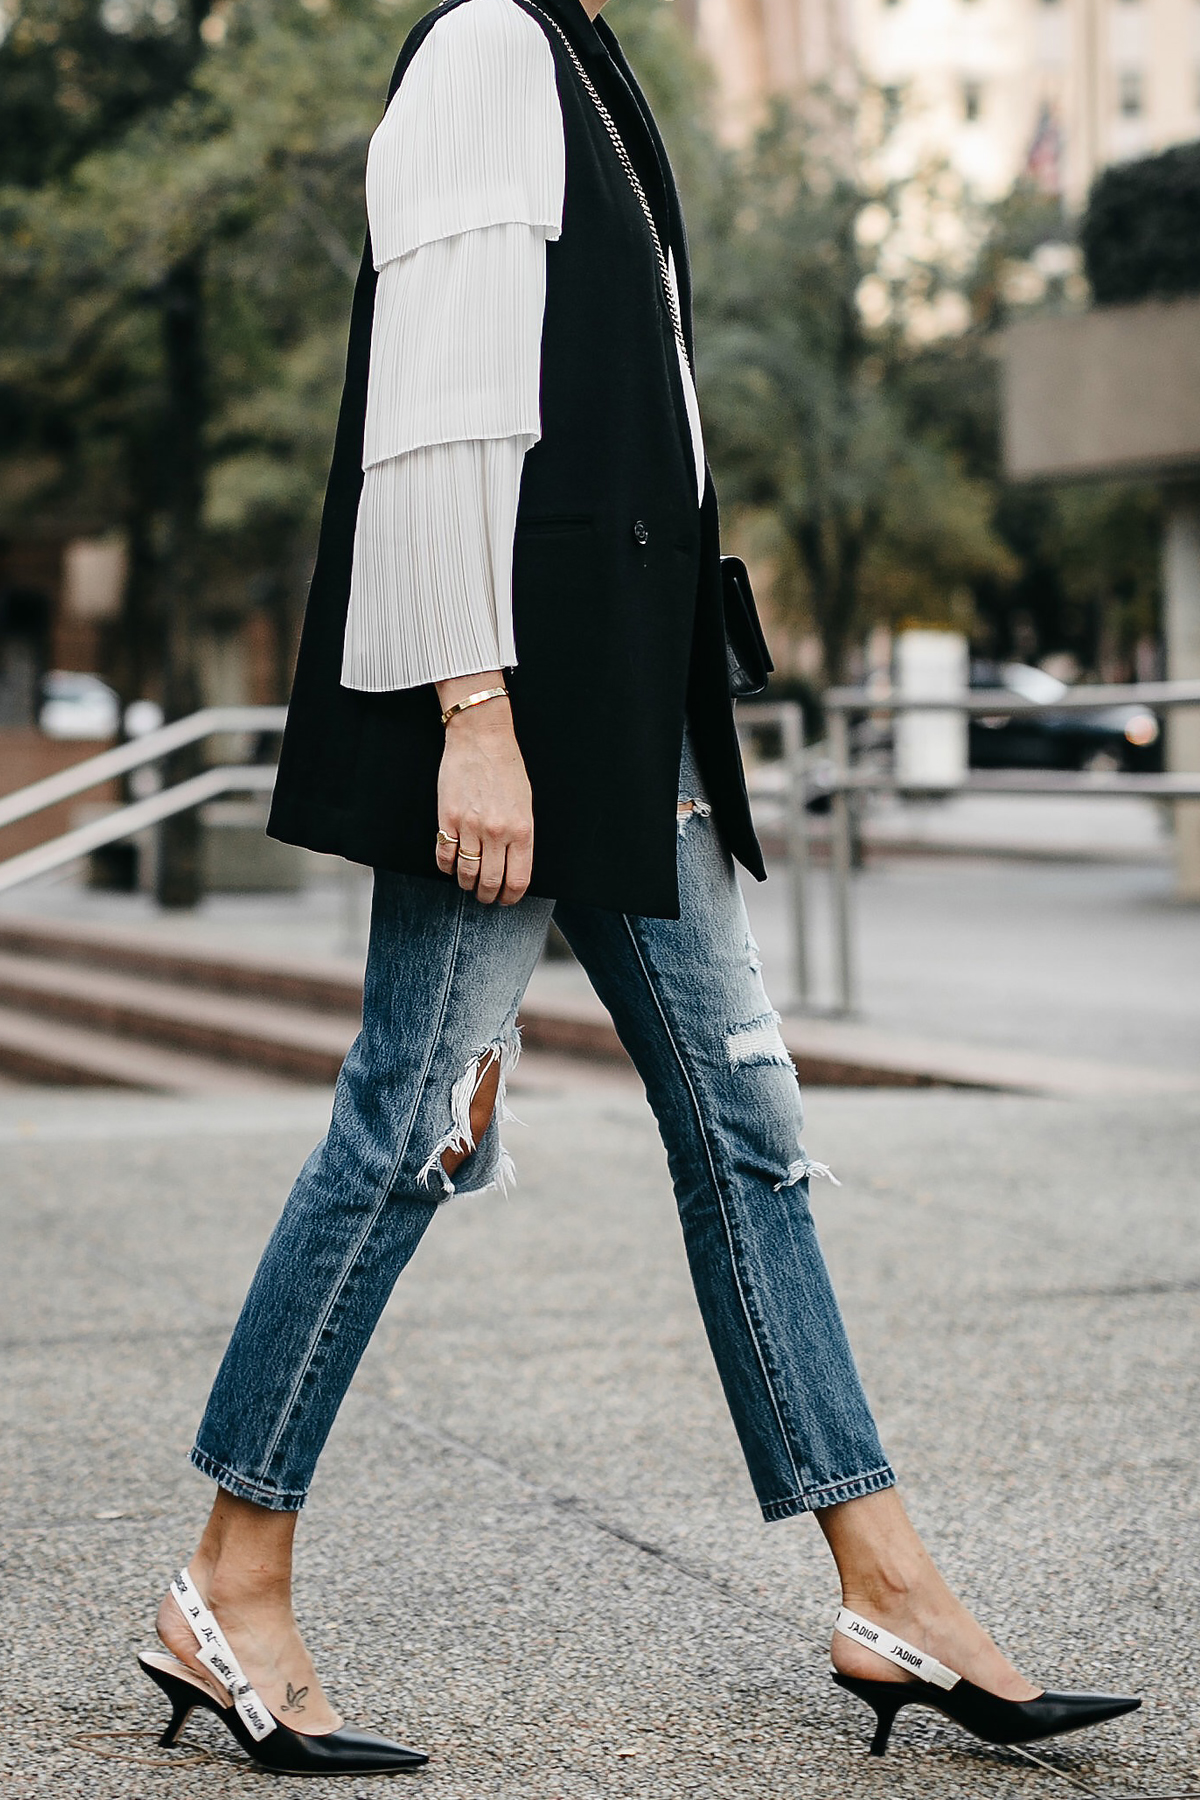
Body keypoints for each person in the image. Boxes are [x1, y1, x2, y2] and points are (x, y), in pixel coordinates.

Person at [136, 0, 1139, 1775]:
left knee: (747, 1128)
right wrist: (471, 715)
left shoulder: (587, 60)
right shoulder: (485, 50)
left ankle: (887, 1583)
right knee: (407, 1126)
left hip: (630, 720)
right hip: (518, 719)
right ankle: (232, 1576)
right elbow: (433, 427)